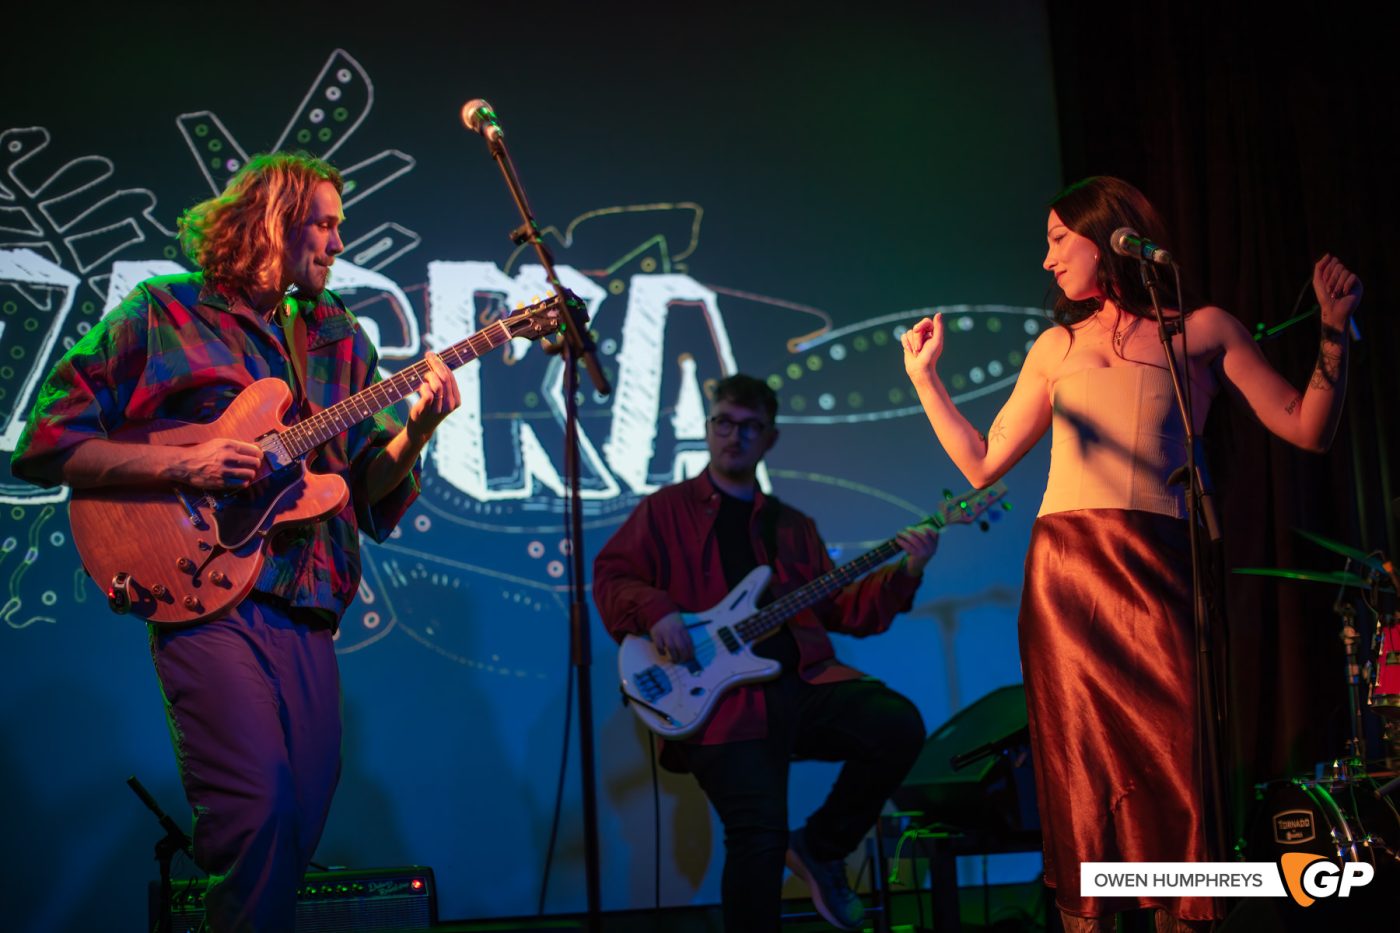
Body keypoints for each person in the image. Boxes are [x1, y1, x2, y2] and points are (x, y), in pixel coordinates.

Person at [10, 151, 461, 931]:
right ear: (274, 223)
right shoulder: (164, 312)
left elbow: (365, 486)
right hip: (203, 595)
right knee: (256, 809)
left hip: (308, 604)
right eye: (324, 224)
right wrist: (185, 463)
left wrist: (416, 431)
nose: (338, 243)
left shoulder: (339, 336)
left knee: (301, 813)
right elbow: (48, 442)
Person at [901, 176, 1361, 932]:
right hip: (1067, 572)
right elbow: (982, 463)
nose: (1048, 259)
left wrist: (1335, 332)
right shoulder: (1056, 346)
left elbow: (1307, 426)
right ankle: (1091, 916)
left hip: (1160, 564)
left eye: (1058, 239)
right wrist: (925, 380)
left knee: (1174, 755)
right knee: (1080, 758)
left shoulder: (1203, 330)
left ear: (1107, 234)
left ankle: (1182, 910)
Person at [592, 373, 939, 932]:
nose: (736, 436)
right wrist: (657, 610)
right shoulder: (665, 510)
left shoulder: (794, 527)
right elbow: (612, 576)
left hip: (802, 686)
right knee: (758, 835)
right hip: (721, 706)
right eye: (725, 423)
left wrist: (908, 569)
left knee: (896, 725)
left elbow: (848, 612)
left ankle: (820, 847)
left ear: (770, 438)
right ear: (709, 429)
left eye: (751, 427)